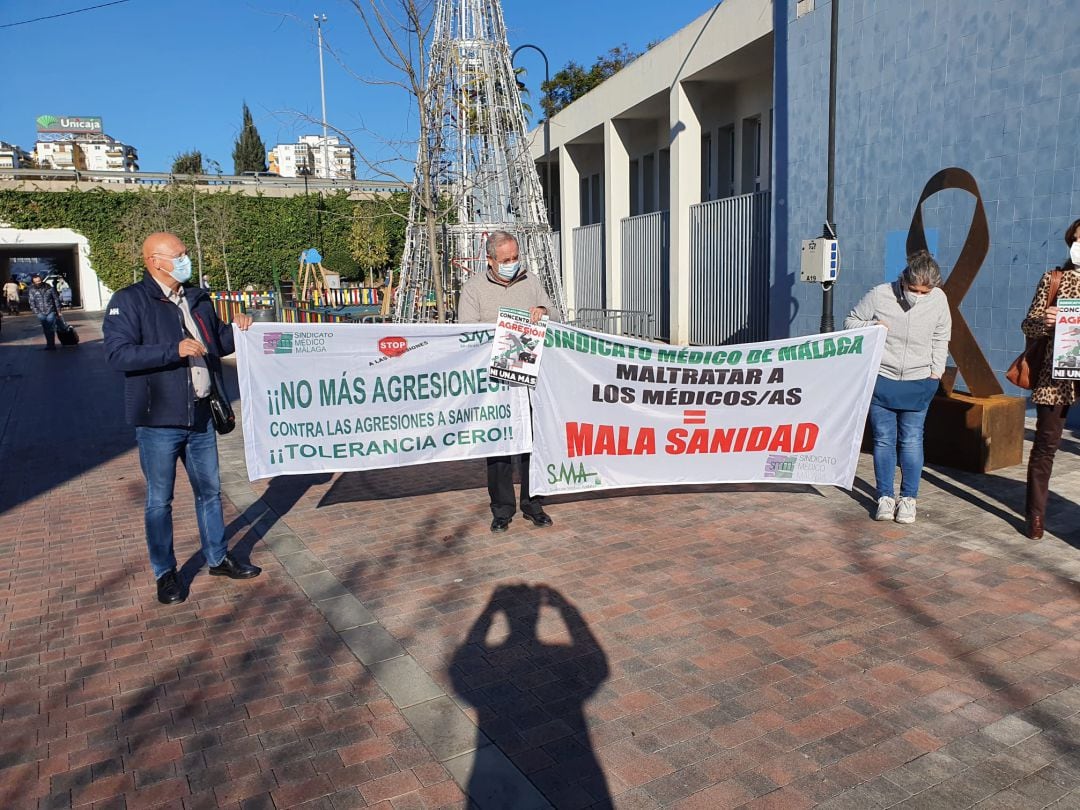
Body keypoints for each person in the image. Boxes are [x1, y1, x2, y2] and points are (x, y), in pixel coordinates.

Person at [103, 232, 259, 605]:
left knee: (209, 492)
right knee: (160, 500)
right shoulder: (130, 301)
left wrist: (239, 327)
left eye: (185, 252)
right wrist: (171, 351)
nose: (186, 259)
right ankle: (165, 573)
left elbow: (218, 342)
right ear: (156, 261)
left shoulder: (197, 298)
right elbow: (118, 355)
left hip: (202, 415)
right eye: (180, 255)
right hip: (159, 421)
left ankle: (218, 558)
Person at [458, 230, 557, 533]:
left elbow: (553, 314)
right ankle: (502, 509)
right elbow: (466, 332)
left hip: (529, 378)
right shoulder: (473, 289)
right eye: (505, 260)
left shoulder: (532, 281)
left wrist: (543, 312)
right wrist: (504, 328)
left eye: (515, 258)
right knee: (499, 444)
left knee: (531, 441)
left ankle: (532, 503)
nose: (512, 263)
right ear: (490, 260)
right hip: (494, 381)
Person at [845, 250, 952, 524]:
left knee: (913, 439)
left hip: (920, 380)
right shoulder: (881, 294)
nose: (918, 295)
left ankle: (908, 499)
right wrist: (873, 324)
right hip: (883, 377)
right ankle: (884, 496)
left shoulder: (939, 299)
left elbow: (942, 337)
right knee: (883, 439)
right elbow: (850, 322)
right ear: (903, 280)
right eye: (913, 289)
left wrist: (936, 372)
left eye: (925, 291)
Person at [1021, 218, 1080, 541]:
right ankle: (1036, 514)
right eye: (1076, 239)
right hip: (1057, 375)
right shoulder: (1054, 279)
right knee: (1045, 446)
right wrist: (1045, 320)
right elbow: (1027, 325)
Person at [27, 273, 63, 350]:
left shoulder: (49, 288)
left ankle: (52, 345)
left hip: (50, 311)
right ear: (33, 282)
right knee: (46, 329)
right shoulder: (32, 290)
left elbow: (56, 300)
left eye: (39, 281)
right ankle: (48, 344)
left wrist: (58, 311)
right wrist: (36, 311)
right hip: (40, 313)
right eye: (36, 282)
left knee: (51, 328)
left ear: (41, 280)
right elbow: (31, 301)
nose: (38, 282)